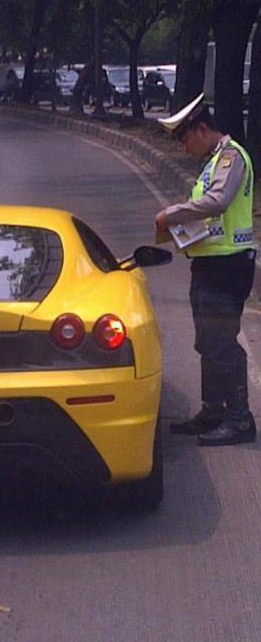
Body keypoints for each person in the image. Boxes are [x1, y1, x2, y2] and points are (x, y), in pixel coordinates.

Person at [155, 92, 256, 445]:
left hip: (228, 267)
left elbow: (218, 201)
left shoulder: (231, 157)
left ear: (201, 129)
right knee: (207, 341)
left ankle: (240, 419)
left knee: (222, 342)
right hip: (210, 265)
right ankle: (214, 411)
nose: (184, 147)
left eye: (185, 139)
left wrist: (173, 214)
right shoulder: (211, 163)